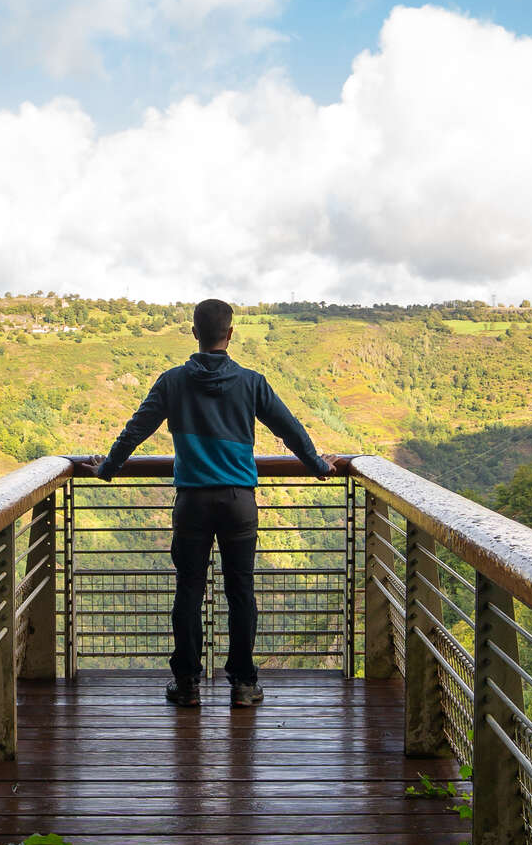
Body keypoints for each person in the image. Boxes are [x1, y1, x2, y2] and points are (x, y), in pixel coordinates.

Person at [79, 299, 339, 710]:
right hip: (238, 502)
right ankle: (243, 685)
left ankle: (187, 685)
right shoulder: (252, 383)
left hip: (193, 503)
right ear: (230, 334)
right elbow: (290, 430)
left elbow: (136, 430)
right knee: (241, 594)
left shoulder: (172, 382)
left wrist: (107, 468)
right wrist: (320, 467)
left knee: (188, 592)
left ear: (194, 332)